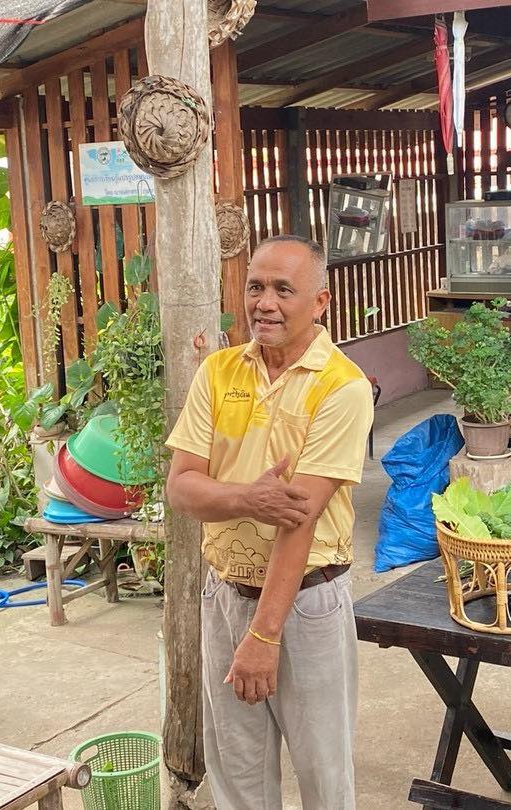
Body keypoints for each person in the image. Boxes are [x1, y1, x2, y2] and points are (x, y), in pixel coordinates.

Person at [165, 235, 374, 810]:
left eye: (284, 289)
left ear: (320, 301)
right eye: (255, 287)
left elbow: (298, 520)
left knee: (323, 776)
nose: (265, 303)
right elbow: (181, 488)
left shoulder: (343, 386)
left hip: (306, 603)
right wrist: (249, 499)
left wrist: (263, 635)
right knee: (237, 775)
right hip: (224, 594)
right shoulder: (218, 371)